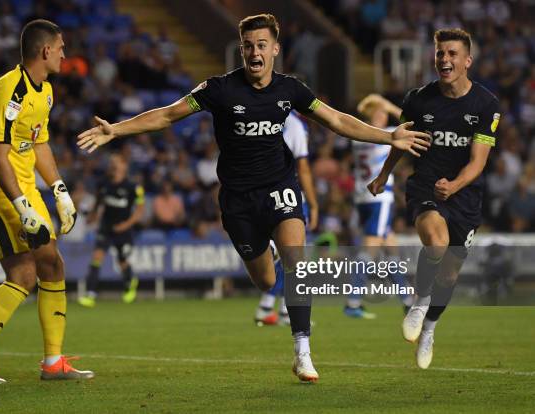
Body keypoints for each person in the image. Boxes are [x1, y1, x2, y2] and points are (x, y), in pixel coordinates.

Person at [77, 14, 430, 383]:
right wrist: (115, 130)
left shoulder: (290, 90)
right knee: (264, 280)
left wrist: (387, 137)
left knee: (297, 264)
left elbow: (338, 120)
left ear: (275, 49)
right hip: (238, 201)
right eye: (248, 46)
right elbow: (167, 115)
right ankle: (270, 262)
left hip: (280, 187)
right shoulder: (219, 89)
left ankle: (303, 351)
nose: (254, 52)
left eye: (262, 45)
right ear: (241, 49)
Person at [0, 19, 93, 384]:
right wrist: (23, 207)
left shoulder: (44, 91)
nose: (64, 54)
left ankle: (53, 362)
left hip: (25, 188)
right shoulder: (7, 92)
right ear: (46, 51)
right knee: (23, 273)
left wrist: (59, 190)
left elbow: (38, 143)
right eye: (61, 47)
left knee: (52, 265)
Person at [369, 29, 500, 369]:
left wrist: (454, 186)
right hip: (426, 186)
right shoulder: (418, 99)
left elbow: (478, 162)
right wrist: (384, 175)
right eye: (441, 53)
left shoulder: (486, 105)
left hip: (464, 195)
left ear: (467, 61)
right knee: (436, 243)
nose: (444, 59)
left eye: (452, 54)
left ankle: (429, 328)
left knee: (450, 275)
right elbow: (401, 142)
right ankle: (419, 301)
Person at [343, 94, 414, 319]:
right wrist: (389, 106)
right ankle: (353, 302)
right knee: (370, 249)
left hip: (362, 198)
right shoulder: (385, 135)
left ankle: (408, 301)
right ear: (371, 117)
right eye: (379, 113)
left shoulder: (357, 137)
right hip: (379, 198)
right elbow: (410, 121)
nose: (383, 116)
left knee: (390, 248)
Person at [254, 111, 318, 326]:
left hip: (259, 191)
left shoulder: (263, 114)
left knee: (286, 254)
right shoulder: (296, 126)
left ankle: (269, 306)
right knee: (293, 254)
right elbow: (303, 167)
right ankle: (284, 309)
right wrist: (313, 202)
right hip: (288, 193)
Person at [78, 154, 145, 307]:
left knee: (122, 261)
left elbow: (139, 210)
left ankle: (129, 285)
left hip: (123, 229)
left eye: (117, 162)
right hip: (106, 227)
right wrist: (93, 216)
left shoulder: (133, 187)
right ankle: (90, 294)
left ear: (124, 166)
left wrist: (126, 225)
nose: (114, 165)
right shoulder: (103, 184)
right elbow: (98, 202)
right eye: (112, 162)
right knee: (96, 258)